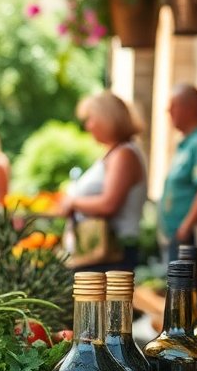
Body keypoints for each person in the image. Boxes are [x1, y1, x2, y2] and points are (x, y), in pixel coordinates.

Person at [60, 90, 149, 272]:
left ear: (107, 119)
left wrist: (73, 202)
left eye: (90, 119)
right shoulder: (115, 152)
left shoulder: (124, 154)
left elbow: (109, 204)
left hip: (112, 253)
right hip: (100, 252)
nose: (88, 126)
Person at [159, 84, 197, 263]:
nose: (168, 111)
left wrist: (185, 227)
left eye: (174, 106)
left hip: (191, 237)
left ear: (190, 108)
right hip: (181, 236)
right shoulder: (188, 143)